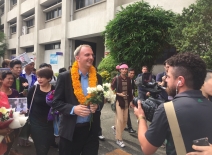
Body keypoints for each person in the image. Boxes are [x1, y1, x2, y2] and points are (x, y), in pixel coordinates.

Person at [134, 52, 212, 155]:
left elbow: (146, 148)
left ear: (180, 81)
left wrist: (141, 117)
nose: (166, 80)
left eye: (168, 76)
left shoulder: (167, 109)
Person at [52, 44, 104, 155]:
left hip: (91, 130)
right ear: (77, 58)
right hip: (71, 131)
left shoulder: (97, 77)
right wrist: (73, 109)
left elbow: (101, 98)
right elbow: (56, 102)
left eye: (92, 55)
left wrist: (97, 105)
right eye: (87, 54)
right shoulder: (65, 77)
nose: (91, 57)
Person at [27, 68, 55, 155]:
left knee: (46, 145)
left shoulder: (55, 89)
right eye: (38, 77)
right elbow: (28, 103)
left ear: (49, 78)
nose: (39, 79)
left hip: (50, 122)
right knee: (40, 146)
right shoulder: (34, 89)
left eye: (42, 77)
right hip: (36, 122)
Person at [111, 63, 133, 147]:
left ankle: (116, 128)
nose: (124, 70)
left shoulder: (128, 79)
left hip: (126, 102)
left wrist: (131, 101)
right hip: (119, 102)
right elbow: (111, 89)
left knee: (125, 120)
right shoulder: (116, 79)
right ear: (120, 70)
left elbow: (130, 91)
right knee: (120, 120)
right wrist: (119, 94)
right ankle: (119, 139)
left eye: (126, 69)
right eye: (123, 69)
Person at [124, 68, 136, 133]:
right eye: (131, 73)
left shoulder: (132, 80)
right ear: (128, 73)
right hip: (124, 98)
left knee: (125, 113)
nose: (132, 74)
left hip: (129, 98)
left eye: (133, 73)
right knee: (126, 113)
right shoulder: (125, 80)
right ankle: (129, 127)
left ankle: (125, 126)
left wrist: (133, 96)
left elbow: (132, 90)